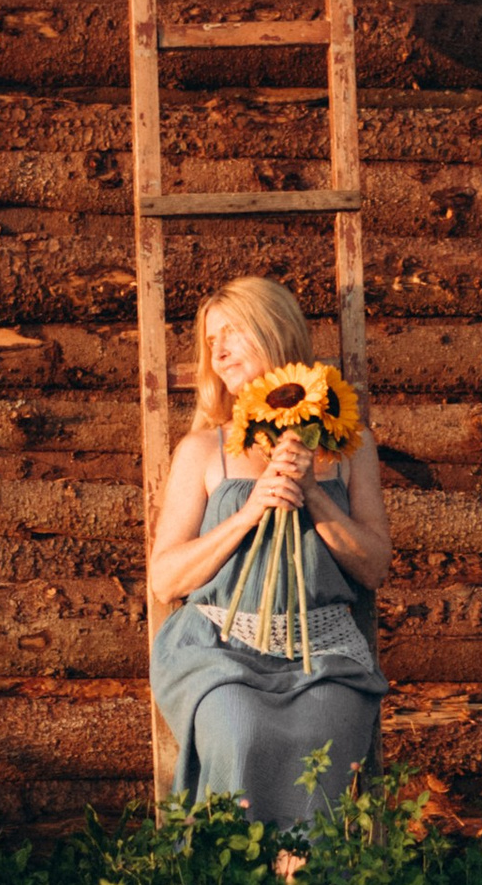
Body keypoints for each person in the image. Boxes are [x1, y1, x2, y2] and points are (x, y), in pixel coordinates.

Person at [147, 273, 392, 838]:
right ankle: (227, 874)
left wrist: (312, 494)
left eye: (232, 333)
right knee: (240, 729)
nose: (218, 353)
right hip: (220, 649)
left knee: (321, 737)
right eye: (211, 341)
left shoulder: (349, 447)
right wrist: (249, 511)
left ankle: (308, 881)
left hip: (324, 653)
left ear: (276, 331)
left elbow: (375, 566)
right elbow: (164, 579)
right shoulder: (203, 450)